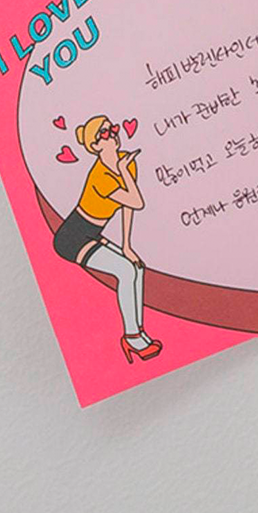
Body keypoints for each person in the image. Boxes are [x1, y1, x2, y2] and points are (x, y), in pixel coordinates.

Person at [51, 115, 162, 363]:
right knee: (125, 271)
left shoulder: (126, 163)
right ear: (95, 146)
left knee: (136, 267)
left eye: (112, 129)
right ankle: (132, 337)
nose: (112, 135)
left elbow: (128, 208)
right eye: (104, 133)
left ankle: (139, 332)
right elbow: (137, 201)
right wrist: (123, 171)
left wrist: (127, 245)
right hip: (73, 237)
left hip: (93, 232)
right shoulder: (101, 176)